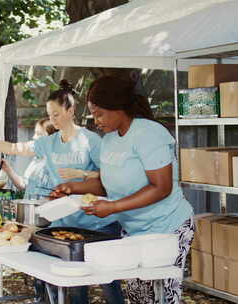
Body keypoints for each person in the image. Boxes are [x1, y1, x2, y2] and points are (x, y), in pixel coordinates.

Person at [0, 80, 124, 304]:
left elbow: (112, 176)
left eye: (56, 114)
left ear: (71, 110)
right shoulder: (48, 142)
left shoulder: (90, 141)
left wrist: (82, 174)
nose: (53, 120)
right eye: (49, 115)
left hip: (98, 224)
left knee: (109, 283)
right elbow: (14, 148)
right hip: (65, 225)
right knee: (75, 286)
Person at [52, 75, 194, 304]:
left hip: (167, 228)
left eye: (99, 113)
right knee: (138, 297)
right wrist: (72, 188)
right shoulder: (109, 139)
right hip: (134, 231)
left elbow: (162, 187)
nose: (95, 120)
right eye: (92, 114)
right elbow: (108, 184)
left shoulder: (150, 133)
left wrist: (113, 207)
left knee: (161, 297)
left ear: (118, 107)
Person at [0, 118, 57, 199]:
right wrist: (8, 169)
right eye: (35, 133)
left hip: (44, 210)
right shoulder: (37, 159)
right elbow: (23, 185)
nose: (34, 137)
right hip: (31, 209)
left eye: (38, 134)